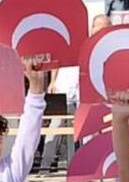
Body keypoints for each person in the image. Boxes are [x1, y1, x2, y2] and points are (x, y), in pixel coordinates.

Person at [41, 14, 112, 171]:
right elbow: (57, 60)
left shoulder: (106, 46)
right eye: (100, 28)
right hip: (64, 86)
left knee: (88, 127)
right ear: (92, 28)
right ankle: (45, 166)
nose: (102, 31)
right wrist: (52, 81)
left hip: (86, 92)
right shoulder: (79, 40)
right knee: (56, 125)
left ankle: (89, 165)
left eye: (106, 28)